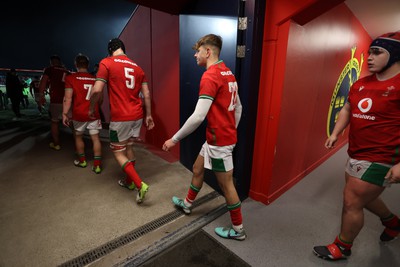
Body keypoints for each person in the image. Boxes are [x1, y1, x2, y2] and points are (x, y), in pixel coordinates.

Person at [313, 31, 400, 261]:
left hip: (383, 156)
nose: (369, 57)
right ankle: (393, 223)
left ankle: (342, 247)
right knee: (363, 197)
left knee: (352, 200)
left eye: (377, 52)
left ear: (395, 56)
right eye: (369, 52)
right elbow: (348, 109)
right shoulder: (361, 84)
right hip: (357, 152)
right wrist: (335, 132)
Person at [162, 34, 245, 241]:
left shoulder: (210, 76)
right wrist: (229, 130)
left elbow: (198, 116)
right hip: (217, 139)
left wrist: (174, 139)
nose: (195, 55)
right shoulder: (228, 73)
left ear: (208, 52)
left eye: (198, 51)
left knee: (227, 186)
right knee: (198, 168)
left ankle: (238, 230)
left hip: (220, 142)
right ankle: (188, 204)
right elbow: (239, 107)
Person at [89, 38, 155, 203]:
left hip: (120, 117)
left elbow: (97, 90)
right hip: (137, 115)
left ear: (110, 50)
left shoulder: (107, 62)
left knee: (118, 151)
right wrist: (149, 115)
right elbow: (146, 94)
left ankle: (140, 185)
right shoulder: (138, 68)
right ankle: (129, 181)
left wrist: (91, 108)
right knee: (129, 146)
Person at [63, 54, 103, 174]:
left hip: (79, 113)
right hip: (94, 114)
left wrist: (65, 113)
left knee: (78, 137)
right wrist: (96, 108)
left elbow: (68, 99)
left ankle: (82, 161)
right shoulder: (95, 78)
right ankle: (97, 166)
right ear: (88, 65)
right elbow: (101, 98)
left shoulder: (70, 78)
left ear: (76, 64)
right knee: (95, 139)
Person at [39, 55, 70, 150]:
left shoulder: (49, 69)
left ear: (51, 62)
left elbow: (43, 82)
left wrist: (41, 96)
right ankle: (77, 143)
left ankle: (57, 144)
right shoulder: (66, 71)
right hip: (67, 100)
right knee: (71, 122)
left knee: (54, 122)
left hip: (56, 100)